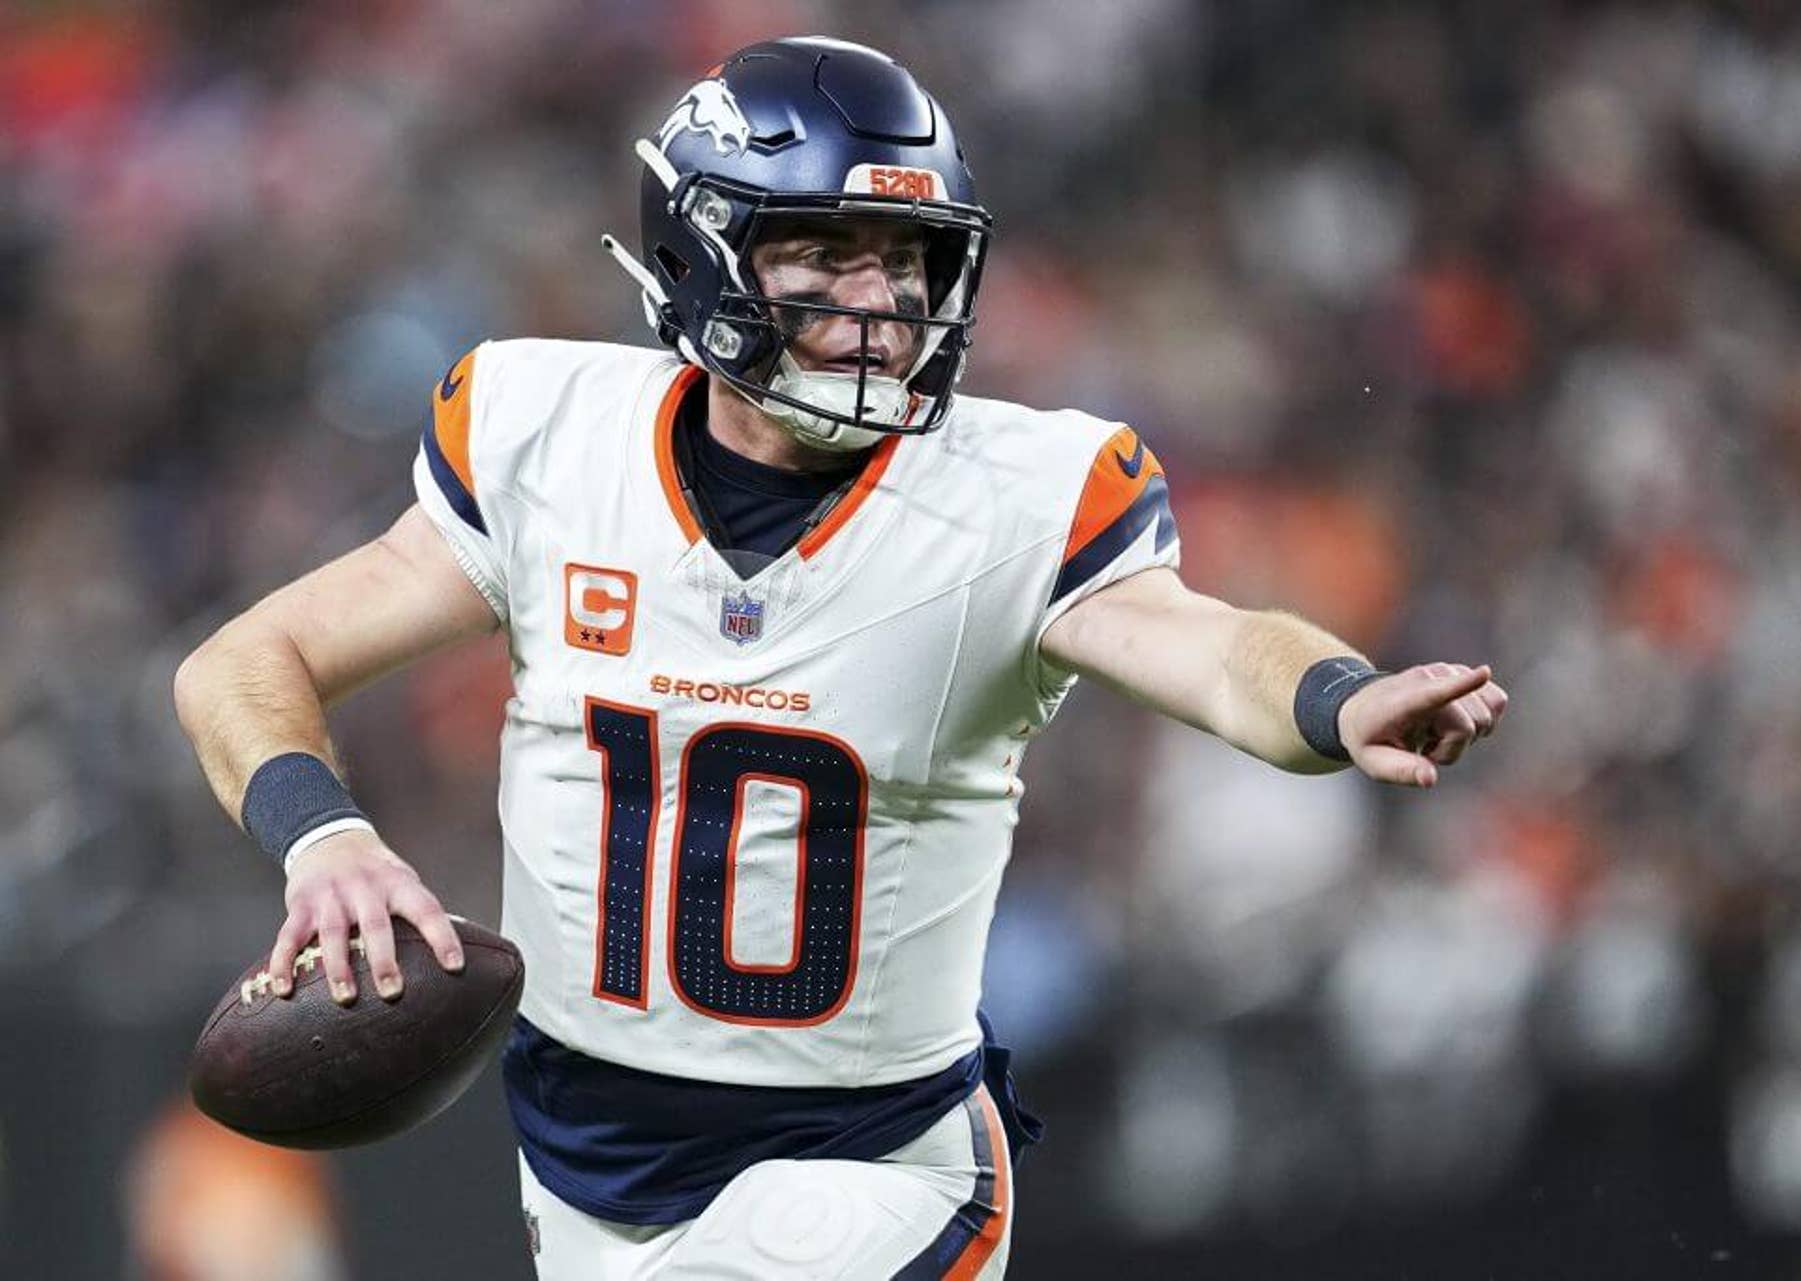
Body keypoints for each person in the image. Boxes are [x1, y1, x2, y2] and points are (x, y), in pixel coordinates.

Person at [173, 36, 1507, 1280]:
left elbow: (1216, 652)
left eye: (907, 260)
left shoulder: (1015, 495)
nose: (879, 304)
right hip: (586, 1174)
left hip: (871, 1170)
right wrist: (324, 835)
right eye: (827, 252)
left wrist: (1338, 698)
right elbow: (243, 660)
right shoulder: (545, 438)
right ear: (701, 258)